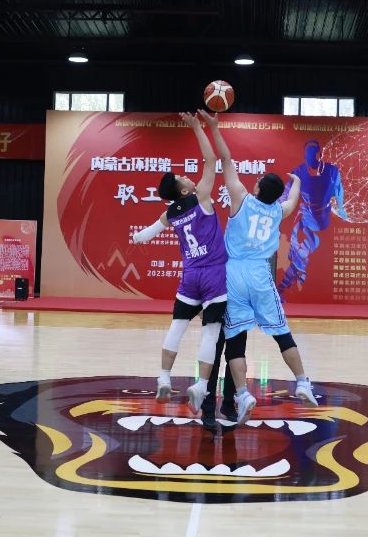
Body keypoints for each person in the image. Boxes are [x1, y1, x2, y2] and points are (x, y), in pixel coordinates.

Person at [185, 109, 315, 425]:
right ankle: (298, 382)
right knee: (270, 335)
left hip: (230, 276)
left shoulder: (241, 198)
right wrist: (297, 182)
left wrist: (213, 127)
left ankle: (231, 398)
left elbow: (225, 159)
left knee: (225, 341)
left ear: (257, 188)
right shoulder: (278, 211)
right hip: (259, 275)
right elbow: (292, 201)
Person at [130, 112, 228, 402]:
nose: (187, 175)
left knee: (178, 326)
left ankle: (163, 376)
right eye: (182, 177)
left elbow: (146, 234)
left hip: (191, 275)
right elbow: (211, 160)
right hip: (214, 273)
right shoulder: (201, 197)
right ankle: (201, 385)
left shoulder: (171, 213)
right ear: (185, 190)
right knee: (211, 332)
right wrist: (197, 127)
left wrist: (135, 239)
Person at [278, 139, 348, 292]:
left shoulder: (331, 171)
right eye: (307, 154)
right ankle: (284, 285)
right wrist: (277, 206)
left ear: (319, 154)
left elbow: (338, 189)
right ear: (304, 155)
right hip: (305, 217)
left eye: (313, 154)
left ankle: (286, 283)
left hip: (323, 219)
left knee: (305, 250)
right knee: (299, 252)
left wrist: (341, 209)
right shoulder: (298, 172)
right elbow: (286, 192)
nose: (310, 157)